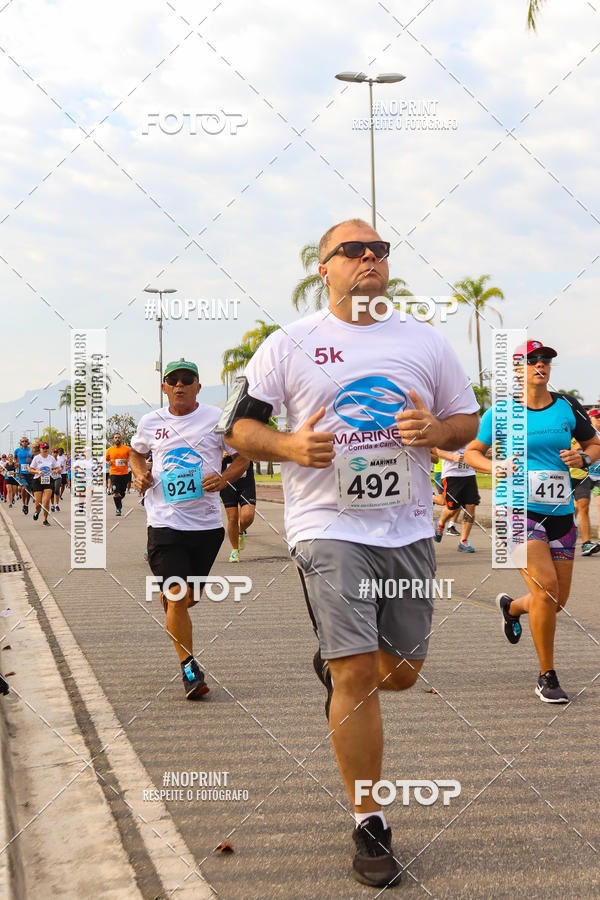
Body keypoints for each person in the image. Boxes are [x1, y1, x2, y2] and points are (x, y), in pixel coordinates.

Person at [224, 218, 479, 888]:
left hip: (409, 529)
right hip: (328, 527)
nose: (370, 258)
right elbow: (241, 427)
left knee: (401, 674)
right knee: (359, 675)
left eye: (380, 250)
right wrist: (284, 447)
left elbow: (465, 420)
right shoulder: (291, 345)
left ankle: (338, 666)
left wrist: (436, 429)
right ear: (324, 266)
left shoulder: (424, 340)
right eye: (354, 251)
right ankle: (370, 820)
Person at [464, 341, 600, 703]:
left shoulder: (567, 405)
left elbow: (595, 444)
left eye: (546, 360)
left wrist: (583, 458)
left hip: (560, 510)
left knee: (555, 600)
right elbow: (472, 452)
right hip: (517, 511)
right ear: (518, 369)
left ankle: (511, 607)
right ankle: (547, 676)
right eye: (533, 360)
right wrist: (494, 466)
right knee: (547, 588)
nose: (541, 364)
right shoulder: (501, 412)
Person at [130, 359, 249, 700]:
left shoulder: (216, 418)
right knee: (179, 595)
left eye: (187, 379)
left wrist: (224, 478)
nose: (180, 385)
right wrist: (140, 474)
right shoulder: (151, 422)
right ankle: (189, 668)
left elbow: (243, 457)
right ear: (165, 388)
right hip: (164, 521)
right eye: (173, 380)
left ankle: (174, 606)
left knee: (188, 598)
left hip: (207, 526)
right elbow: (137, 455)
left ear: (198, 386)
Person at [432, 447, 480, 552]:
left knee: (471, 506)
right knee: (453, 508)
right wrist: (453, 457)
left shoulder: (474, 432)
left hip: (469, 473)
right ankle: (440, 523)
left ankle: (463, 541)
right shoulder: (448, 432)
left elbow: (476, 449)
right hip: (452, 474)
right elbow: (436, 450)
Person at [220, 452, 256, 562]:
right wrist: (221, 456)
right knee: (232, 518)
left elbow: (257, 453)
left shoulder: (245, 438)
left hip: (246, 483)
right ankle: (235, 550)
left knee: (248, 516)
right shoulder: (218, 438)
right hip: (227, 483)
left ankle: (240, 531)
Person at [29, 442, 62, 525]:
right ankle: (37, 510)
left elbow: (58, 468)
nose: (45, 450)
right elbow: (30, 470)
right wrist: (37, 471)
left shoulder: (51, 458)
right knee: (38, 503)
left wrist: (56, 470)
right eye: (43, 448)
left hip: (48, 480)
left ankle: (45, 519)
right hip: (37, 480)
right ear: (40, 449)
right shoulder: (36, 458)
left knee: (46, 501)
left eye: (46, 448)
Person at [106, 433, 131, 517]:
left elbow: (132, 458)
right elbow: (106, 460)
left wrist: (126, 460)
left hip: (124, 473)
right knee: (115, 492)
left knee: (122, 493)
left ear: (121, 439)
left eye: (119, 438)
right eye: (116, 438)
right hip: (114, 473)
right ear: (113, 439)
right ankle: (118, 508)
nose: (117, 439)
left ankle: (118, 501)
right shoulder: (109, 450)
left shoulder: (127, 449)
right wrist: (108, 462)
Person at [14, 437, 33, 515]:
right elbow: (15, 459)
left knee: (28, 490)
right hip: (21, 472)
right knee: (24, 487)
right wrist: (16, 463)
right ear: (20, 442)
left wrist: (31, 461)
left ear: (28, 442)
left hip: (29, 472)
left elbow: (35, 460)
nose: (24, 442)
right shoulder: (17, 450)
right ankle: (23, 503)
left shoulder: (31, 450)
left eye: (26, 441)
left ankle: (26, 505)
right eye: (23, 441)